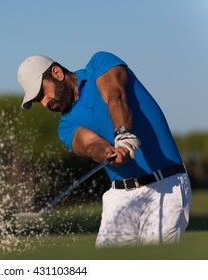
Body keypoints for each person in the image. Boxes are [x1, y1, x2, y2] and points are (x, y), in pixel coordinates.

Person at [17, 51, 191, 247]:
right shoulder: (65, 127)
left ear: (57, 73)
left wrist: (123, 134)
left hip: (165, 185)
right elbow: (90, 144)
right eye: (37, 100)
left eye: (42, 93)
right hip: (120, 197)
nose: (44, 102)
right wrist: (107, 152)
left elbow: (116, 96)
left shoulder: (99, 64)